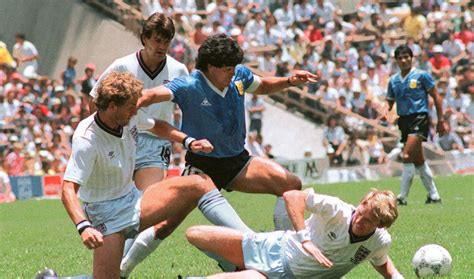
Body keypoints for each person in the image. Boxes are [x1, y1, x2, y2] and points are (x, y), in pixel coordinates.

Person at [62, 71, 249, 278]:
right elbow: (68, 189)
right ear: (113, 106)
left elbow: (158, 126)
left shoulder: (127, 116)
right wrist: (84, 227)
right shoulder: (86, 139)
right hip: (105, 215)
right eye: (131, 108)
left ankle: (252, 246)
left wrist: (188, 141)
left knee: (199, 183)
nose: (135, 112)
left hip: (134, 200)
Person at [138, 33, 319, 232]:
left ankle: (280, 249)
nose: (233, 73)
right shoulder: (189, 85)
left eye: (234, 68)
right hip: (202, 167)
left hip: (237, 162)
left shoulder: (238, 75)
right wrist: (133, 104)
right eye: (227, 69)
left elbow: (262, 86)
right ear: (210, 67)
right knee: (166, 225)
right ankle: (125, 263)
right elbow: (153, 94)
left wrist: (289, 80)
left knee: (291, 184)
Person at [88, 13, 191, 276]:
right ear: (144, 38)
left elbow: (189, 109)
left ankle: (119, 267)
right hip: (121, 140)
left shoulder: (179, 70)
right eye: (156, 40)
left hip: (156, 143)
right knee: (118, 210)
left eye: (166, 41)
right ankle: (112, 266)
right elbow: (95, 101)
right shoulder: (121, 66)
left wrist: (188, 141)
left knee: (146, 207)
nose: (161, 46)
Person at [186, 188, 404, 279]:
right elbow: (292, 196)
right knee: (194, 234)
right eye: (361, 214)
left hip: (289, 275)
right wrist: (305, 239)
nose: (360, 221)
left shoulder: (380, 241)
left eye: (368, 222)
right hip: (273, 248)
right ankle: (236, 264)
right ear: (362, 203)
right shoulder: (337, 209)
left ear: (380, 226)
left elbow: (381, 261)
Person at [384, 45, 446, 206]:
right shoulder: (394, 80)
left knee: (406, 156)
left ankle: (402, 197)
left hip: (419, 118)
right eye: (400, 58)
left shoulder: (422, 76)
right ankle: (434, 195)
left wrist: (441, 120)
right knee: (418, 160)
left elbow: (436, 97)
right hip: (404, 120)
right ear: (396, 60)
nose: (404, 60)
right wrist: (385, 110)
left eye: (406, 57)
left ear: (412, 58)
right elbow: (389, 101)